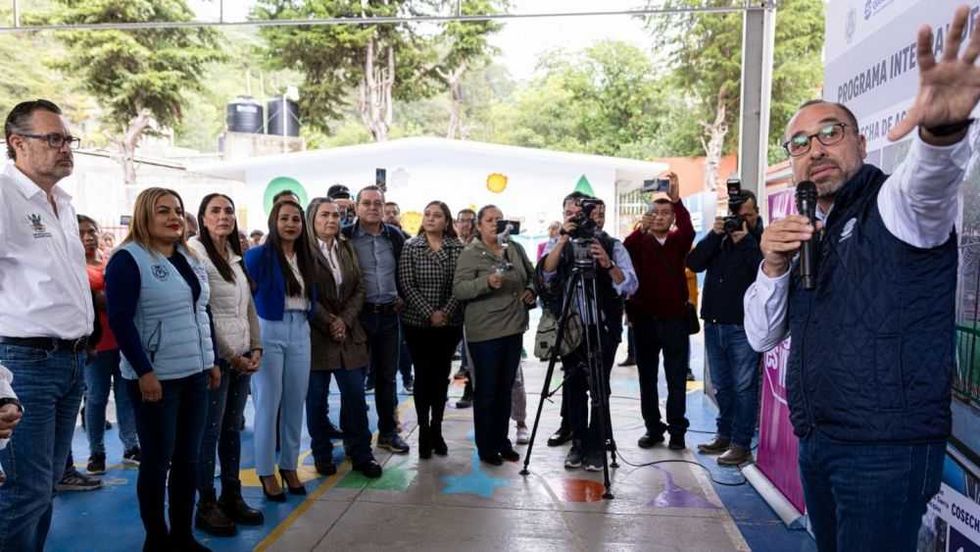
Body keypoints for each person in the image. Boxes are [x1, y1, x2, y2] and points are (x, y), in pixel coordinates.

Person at [743, 8, 978, 550]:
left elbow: (931, 181)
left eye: (830, 132)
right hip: (819, 441)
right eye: (799, 143)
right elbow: (761, 337)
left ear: (861, 143)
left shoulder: (894, 206)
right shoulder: (809, 232)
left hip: (884, 452)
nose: (815, 149)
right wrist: (773, 266)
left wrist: (942, 132)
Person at [0, 99, 95, 551]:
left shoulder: (63, 204)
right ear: (17, 143)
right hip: (23, 363)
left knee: (45, 488)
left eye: (67, 139)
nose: (65, 148)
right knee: (23, 492)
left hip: (70, 361)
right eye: (53, 139)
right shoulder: (4, 196)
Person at [105, 187, 218, 552]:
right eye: (163, 211)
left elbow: (202, 311)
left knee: (188, 458)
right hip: (157, 380)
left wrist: (210, 360)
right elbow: (121, 321)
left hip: (195, 373)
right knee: (157, 460)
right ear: (144, 216)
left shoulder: (187, 255)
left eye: (178, 210)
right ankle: (157, 539)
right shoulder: (128, 259)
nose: (173, 217)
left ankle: (182, 537)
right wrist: (144, 372)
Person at [539, 194, 638, 470]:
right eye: (577, 213)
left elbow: (629, 286)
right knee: (573, 387)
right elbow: (546, 276)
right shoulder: (560, 242)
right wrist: (561, 240)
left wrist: (607, 264)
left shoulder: (611, 244)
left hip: (603, 327)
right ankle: (578, 442)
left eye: (595, 213)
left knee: (599, 387)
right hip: (571, 328)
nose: (587, 218)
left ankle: (597, 445)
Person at [189, 194, 265, 536]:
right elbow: (203, 311)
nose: (224, 216)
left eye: (229, 210)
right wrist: (230, 355)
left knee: (231, 429)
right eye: (215, 211)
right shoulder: (195, 253)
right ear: (203, 218)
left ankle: (231, 493)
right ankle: (206, 502)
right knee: (210, 431)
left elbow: (248, 304)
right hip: (216, 358)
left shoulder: (236, 256)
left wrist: (255, 346)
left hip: (242, 354)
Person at [305, 198, 383, 479]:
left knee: (354, 397)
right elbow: (305, 294)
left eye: (336, 215)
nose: (331, 220)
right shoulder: (304, 251)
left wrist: (344, 321)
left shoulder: (346, 247)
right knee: (316, 400)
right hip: (316, 335)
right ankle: (322, 454)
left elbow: (359, 287)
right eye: (324, 215)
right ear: (312, 219)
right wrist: (329, 322)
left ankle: (361, 452)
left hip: (349, 333)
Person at [453, 205, 537, 465]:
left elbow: (532, 276)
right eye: (490, 220)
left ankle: (503, 441)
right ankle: (487, 446)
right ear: (479, 225)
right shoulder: (471, 253)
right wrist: (485, 283)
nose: (496, 224)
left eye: (500, 219)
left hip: (513, 328)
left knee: (505, 388)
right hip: (485, 331)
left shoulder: (514, 248)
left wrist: (531, 291)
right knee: (487, 390)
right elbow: (459, 290)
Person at [245, 199, 317, 500]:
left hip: (301, 329)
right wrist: (251, 341)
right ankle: (265, 471)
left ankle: (289, 465)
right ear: (274, 222)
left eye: (296, 220)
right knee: (267, 404)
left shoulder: (306, 256)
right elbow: (245, 300)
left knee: (294, 402)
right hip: (269, 329)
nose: (291, 224)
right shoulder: (257, 256)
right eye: (285, 218)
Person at [686, 192, 763, 466]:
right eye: (736, 216)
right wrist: (712, 235)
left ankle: (741, 444)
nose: (740, 222)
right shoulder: (719, 239)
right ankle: (723, 434)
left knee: (744, 387)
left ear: (755, 214)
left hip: (744, 325)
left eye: (747, 215)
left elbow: (765, 272)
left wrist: (746, 243)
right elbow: (693, 263)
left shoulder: (760, 239)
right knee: (722, 386)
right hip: (714, 322)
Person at [623, 172, 694, 451]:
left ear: (673, 217)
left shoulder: (679, 241)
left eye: (666, 212)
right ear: (648, 216)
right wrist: (640, 229)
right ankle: (653, 428)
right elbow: (625, 250)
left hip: (675, 320)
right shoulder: (637, 242)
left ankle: (677, 430)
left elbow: (688, 228)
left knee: (676, 378)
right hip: (643, 321)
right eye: (656, 212)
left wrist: (677, 200)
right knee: (647, 378)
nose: (661, 216)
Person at [341, 185, 410, 454]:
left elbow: (405, 269)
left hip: (389, 317)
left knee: (386, 378)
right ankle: (354, 437)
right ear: (356, 207)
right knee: (353, 380)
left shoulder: (394, 237)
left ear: (384, 207)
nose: (372, 207)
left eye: (377, 203)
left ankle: (388, 432)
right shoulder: (344, 237)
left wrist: (403, 296)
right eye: (366, 203)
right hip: (357, 317)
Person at [398, 201, 464, 459]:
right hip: (417, 324)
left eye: (437, 215)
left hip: (449, 324)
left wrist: (445, 312)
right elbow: (406, 283)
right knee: (423, 376)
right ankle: (424, 430)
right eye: (427, 214)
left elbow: (460, 283)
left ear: (446, 221)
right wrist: (430, 313)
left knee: (441, 376)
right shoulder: (410, 247)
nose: (431, 219)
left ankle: (437, 428)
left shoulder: (457, 249)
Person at [78, 214, 141, 475]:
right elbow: (90, 298)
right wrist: (101, 297)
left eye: (92, 230)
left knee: (126, 396)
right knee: (96, 398)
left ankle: (131, 446)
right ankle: (97, 452)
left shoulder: (110, 260)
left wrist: (106, 297)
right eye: (82, 232)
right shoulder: (73, 266)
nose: (89, 236)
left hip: (122, 339)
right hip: (96, 344)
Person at [452, 208, 477, 407]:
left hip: (472, 308)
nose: (466, 224)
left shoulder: (479, 247)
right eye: (462, 221)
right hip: (451, 307)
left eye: (470, 221)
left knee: (469, 357)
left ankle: (468, 392)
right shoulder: (451, 245)